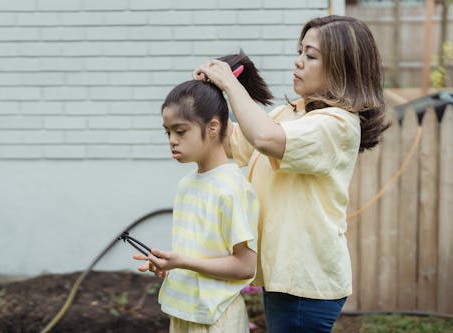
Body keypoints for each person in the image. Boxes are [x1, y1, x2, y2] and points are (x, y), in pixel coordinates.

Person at [192, 15, 390, 333]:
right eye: (300, 51)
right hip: (285, 274)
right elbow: (232, 141)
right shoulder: (289, 114)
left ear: (342, 67)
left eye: (311, 55)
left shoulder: (338, 125)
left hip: (305, 281)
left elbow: (265, 138)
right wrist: (200, 101)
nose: (298, 62)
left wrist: (230, 84)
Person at [133, 52, 274, 332]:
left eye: (180, 131)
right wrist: (171, 264)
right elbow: (200, 256)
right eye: (167, 132)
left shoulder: (232, 188)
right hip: (183, 312)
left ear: (213, 128)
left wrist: (184, 261)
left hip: (217, 318)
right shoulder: (187, 185)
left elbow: (245, 267)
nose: (172, 141)